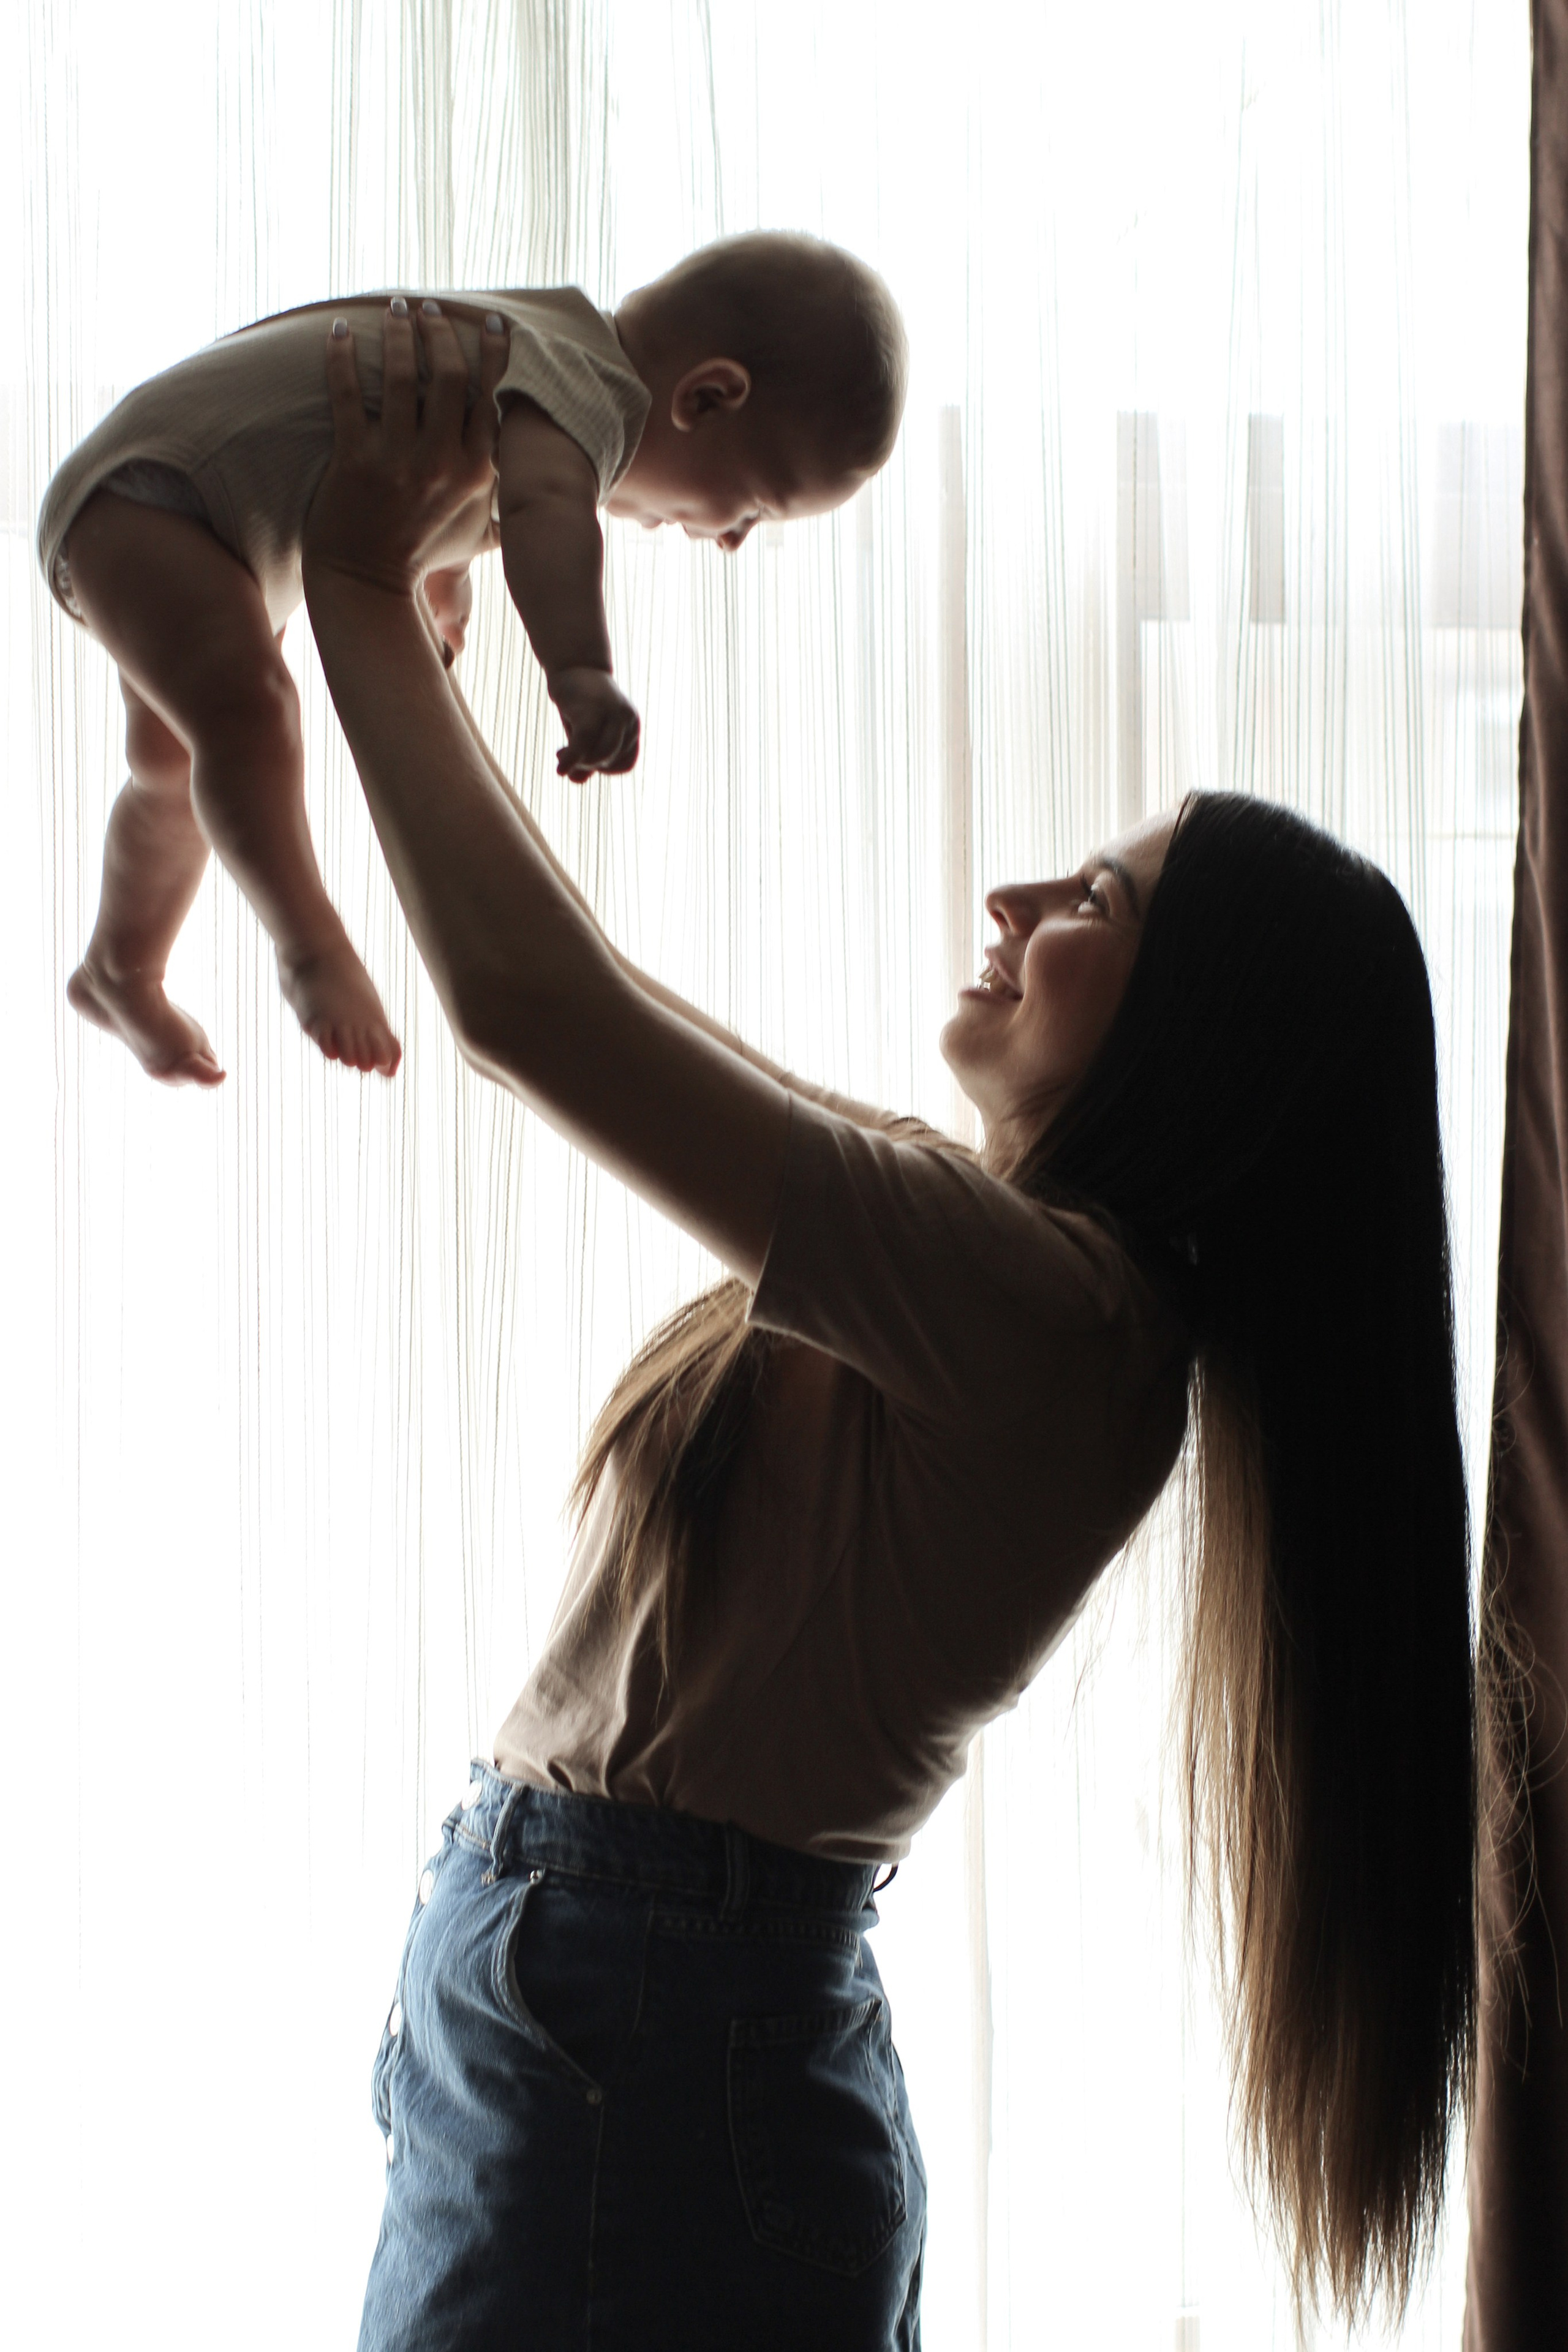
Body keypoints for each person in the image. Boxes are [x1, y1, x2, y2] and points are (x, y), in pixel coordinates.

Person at [302, 306, 1479, 2351]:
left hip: (644, 2048)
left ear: (1211, 1039)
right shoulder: (1010, 1278)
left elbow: (534, 1015)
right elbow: (606, 1003)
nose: (1020, 894)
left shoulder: (1047, 1308)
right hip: (600, 2017)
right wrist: (413, 643)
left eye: (1105, 896)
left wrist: (347, 594)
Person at [39, 234, 905, 1084]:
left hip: (187, 517)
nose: (731, 542)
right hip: (161, 497)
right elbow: (547, 514)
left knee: (173, 766)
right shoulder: (592, 395)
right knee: (253, 718)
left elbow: (442, 455)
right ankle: (311, 945)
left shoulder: (548, 353)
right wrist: (580, 671)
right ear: (709, 397)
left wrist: (443, 580)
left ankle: (121, 969)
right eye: (751, 507)